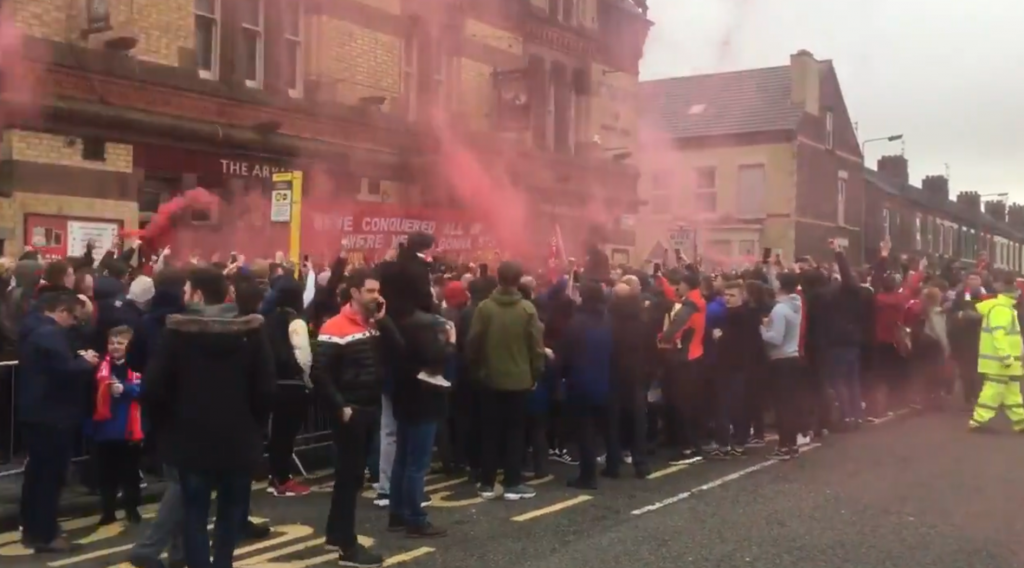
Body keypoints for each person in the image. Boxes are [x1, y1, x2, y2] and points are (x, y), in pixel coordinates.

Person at [141, 267, 276, 568]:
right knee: (230, 514)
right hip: (239, 440)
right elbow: (266, 388)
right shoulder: (252, 332)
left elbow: (154, 388)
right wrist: (254, 425)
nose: (183, 296)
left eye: (187, 290)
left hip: (190, 440)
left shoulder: (177, 333)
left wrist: (167, 426)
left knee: (194, 514)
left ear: (198, 295)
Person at [313, 268, 403, 567]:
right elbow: (320, 373)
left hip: (370, 406)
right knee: (349, 477)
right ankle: (347, 547)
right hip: (351, 411)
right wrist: (341, 407)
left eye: (378, 291)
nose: (377, 296)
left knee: (351, 480)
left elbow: (399, 351)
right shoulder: (334, 327)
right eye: (370, 291)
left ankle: (336, 534)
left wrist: (383, 320)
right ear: (354, 292)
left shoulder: (374, 324)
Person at [18, 292, 99, 552]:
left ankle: (33, 529)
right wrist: (85, 363)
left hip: (36, 413)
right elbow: (65, 370)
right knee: (49, 478)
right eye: (73, 317)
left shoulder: (33, 328)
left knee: (36, 476)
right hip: (53, 416)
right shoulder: (50, 335)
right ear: (61, 311)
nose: (74, 323)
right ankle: (45, 533)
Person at [466, 261, 545, 501]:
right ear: (519, 279)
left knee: (489, 431)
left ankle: (487, 482)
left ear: (498, 278)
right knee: (515, 433)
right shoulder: (527, 309)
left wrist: (477, 372)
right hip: (520, 380)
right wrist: (535, 374)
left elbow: (473, 344)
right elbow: (537, 347)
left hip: (489, 379)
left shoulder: (485, 308)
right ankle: (512, 482)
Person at [265, 278, 314, 497]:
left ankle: (276, 476)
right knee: (286, 436)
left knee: (277, 434)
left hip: (273, 383)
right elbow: (304, 357)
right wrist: (308, 380)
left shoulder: (267, 320)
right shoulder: (296, 321)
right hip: (293, 385)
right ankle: (282, 479)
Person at [93, 325, 144, 525]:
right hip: (104, 427)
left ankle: (132, 509)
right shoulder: (100, 366)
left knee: (130, 472)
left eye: (120, 343)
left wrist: (126, 388)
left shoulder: (138, 365)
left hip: (129, 427)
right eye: (111, 343)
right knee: (106, 473)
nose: (114, 347)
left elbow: (147, 387)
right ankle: (108, 511)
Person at [657, 269, 707, 463]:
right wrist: (662, 279)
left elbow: (673, 331)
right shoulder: (698, 301)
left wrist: (660, 338)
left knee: (683, 405)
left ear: (686, 285)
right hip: (695, 356)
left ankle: (689, 448)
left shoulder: (688, 308)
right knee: (689, 403)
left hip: (684, 360)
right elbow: (674, 296)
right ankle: (691, 443)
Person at [969, 270, 1024, 433]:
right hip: (1001, 362)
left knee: (1012, 392)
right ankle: (978, 420)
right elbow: (998, 335)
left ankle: (1020, 421)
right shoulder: (1002, 309)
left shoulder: (1003, 307)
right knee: (993, 390)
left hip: (1006, 362)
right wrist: (1006, 356)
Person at [760, 271, 804, 460]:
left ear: (780, 286)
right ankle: (792, 444)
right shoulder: (796, 306)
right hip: (793, 358)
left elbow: (776, 338)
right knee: (791, 404)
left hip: (780, 361)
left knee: (781, 406)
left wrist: (761, 328)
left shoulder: (779, 310)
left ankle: (783, 446)